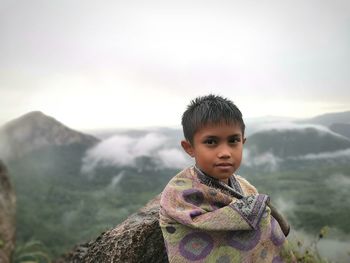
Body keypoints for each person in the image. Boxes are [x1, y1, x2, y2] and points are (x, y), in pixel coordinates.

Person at [159, 94, 294, 262]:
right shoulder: (178, 195)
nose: (225, 153)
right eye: (211, 142)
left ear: (242, 142)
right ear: (189, 148)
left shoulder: (245, 187)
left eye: (233, 141)